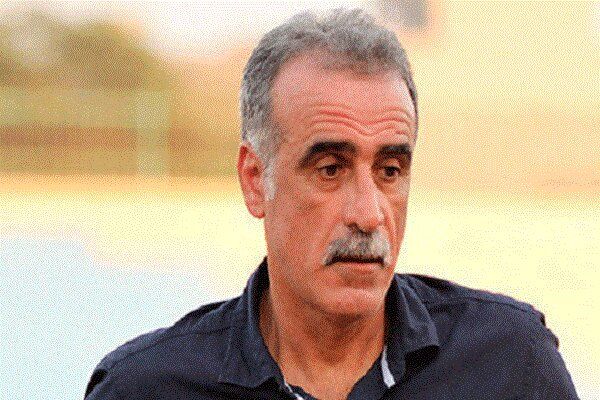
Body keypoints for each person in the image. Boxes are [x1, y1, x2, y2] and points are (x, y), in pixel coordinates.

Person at [84, 8, 578, 400]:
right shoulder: (148, 388)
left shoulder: (510, 364)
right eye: (330, 169)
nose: (368, 215)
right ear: (255, 180)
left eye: (389, 171)